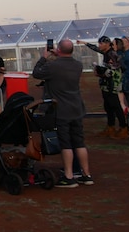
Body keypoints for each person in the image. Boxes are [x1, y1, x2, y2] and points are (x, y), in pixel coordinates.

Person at [32, 39, 93, 187]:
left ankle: (69, 176)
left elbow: (36, 73)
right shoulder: (78, 65)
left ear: (58, 50)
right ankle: (86, 174)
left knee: (66, 144)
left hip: (62, 110)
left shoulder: (52, 66)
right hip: (76, 108)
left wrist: (44, 57)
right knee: (79, 142)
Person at [79, 36, 126, 138]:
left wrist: (100, 72)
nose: (99, 45)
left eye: (101, 43)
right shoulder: (106, 53)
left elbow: (114, 71)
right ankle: (110, 127)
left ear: (107, 44)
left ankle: (124, 128)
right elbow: (96, 48)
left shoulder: (112, 54)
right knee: (108, 106)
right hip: (106, 84)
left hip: (112, 85)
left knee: (116, 106)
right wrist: (85, 42)